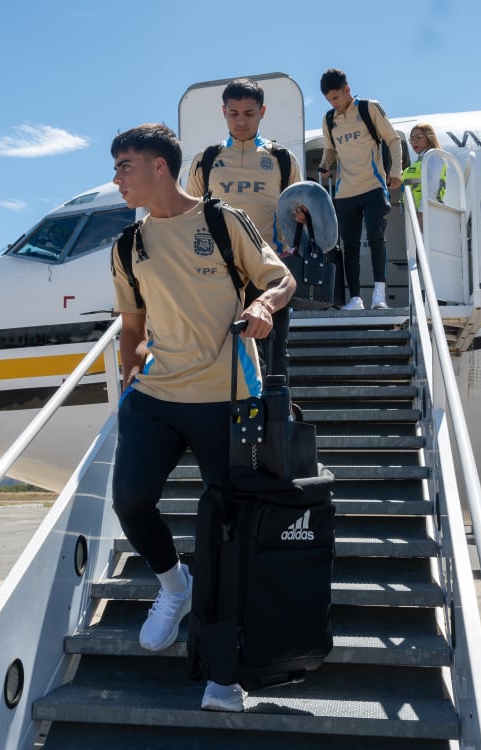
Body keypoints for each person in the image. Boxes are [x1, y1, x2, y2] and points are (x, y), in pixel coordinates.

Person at [109, 123, 295, 712]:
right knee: (131, 503)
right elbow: (133, 329)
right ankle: (172, 585)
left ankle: (224, 676)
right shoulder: (127, 245)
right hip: (157, 396)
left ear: (160, 167)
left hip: (228, 394)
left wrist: (264, 304)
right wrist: (129, 378)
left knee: (225, 539)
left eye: (125, 166)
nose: (117, 178)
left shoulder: (224, 221)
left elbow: (281, 278)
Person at [186, 77, 303, 378]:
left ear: (262, 112)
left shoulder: (281, 159)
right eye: (234, 113)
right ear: (223, 111)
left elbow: (299, 210)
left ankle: (279, 417)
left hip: (269, 269)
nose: (241, 121)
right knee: (225, 354)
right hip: (219, 272)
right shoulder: (207, 160)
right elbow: (190, 218)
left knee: (276, 354)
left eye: (249, 114)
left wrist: (306, 217)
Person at [318, 67, 403, 310]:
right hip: (346, 192)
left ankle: (379, 295)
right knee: (350, 244)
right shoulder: (329, 119)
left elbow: (393, 139)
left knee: (376, 235)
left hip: (373, 185)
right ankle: (355, 298)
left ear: (347, 90)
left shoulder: (368, 108)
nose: (333, 103)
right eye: (328, 100)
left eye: (336, 97)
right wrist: (325, 164)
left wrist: (395, 170)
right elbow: (330, 149)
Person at [402, 123, 447, 228]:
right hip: (417, 212)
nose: (415, 142)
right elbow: (420, 181)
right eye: (412, 139)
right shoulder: (422, 160)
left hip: (427, 213)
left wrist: (422, 213)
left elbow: (431, 187)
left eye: (419, 137)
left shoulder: (433, 156)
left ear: (429, 138)